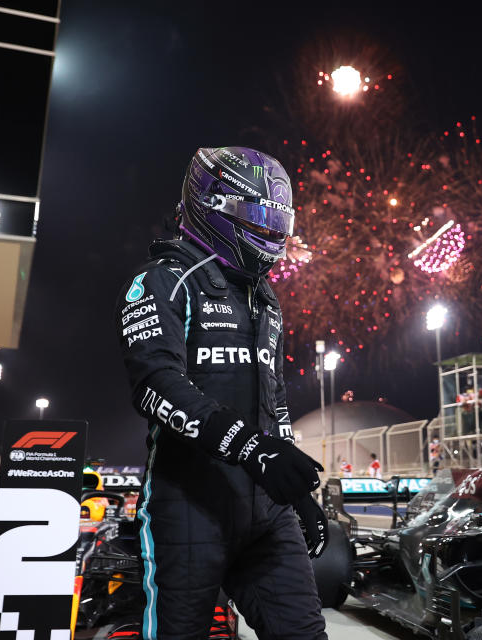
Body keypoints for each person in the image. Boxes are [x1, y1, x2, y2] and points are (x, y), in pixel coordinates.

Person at [117, 146, 327, 639]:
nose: (271, 232)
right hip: (187, 506)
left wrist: (298, 498)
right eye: (257, 216)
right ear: (212, 206)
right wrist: (251, 449)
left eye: (278, 220)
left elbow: (274, 403)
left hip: (267, 514)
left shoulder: (265, 298)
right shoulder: (162, 280)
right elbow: (154, 384)